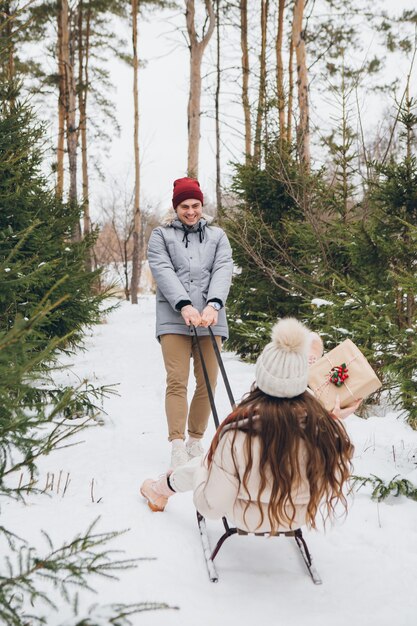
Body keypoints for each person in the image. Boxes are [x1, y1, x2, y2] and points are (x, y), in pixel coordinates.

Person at [140, 318, 355, 535]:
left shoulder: (237, 434)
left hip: (245, 516)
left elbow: (212, 507)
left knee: (205, 463)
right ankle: (165, 485)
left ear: (261, 378)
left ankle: (162, 488)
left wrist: (202, 476)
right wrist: (330, 421)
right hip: (293, 517)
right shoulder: (322, 431)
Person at [147, 177, 233, 469]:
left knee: (208, 381)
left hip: (211, 319)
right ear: (176, 207)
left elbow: (223, 269)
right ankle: (176, 444)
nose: (191, 211)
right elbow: (162, 270)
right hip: (174, 319)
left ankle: (196, 440)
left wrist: (213, 305)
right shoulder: (161, 235)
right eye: (185, 206)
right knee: (177, 380)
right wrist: (183, 305)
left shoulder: (218, 236)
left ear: (202, 205)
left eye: (196, 205)